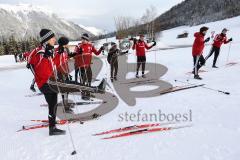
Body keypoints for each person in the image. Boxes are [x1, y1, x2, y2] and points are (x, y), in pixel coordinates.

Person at [28, 29, 66, 136]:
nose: (54, 39)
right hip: (45, 83)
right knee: (66, 87)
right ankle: (52, 127)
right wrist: (45, 56)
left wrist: (59, 53)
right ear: (47, 39)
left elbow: (54, 64)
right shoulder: (40, 52)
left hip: (50, 82)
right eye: (52, 38)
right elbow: (38, 68)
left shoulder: (49, 50)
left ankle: (52, 127)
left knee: (53, 105)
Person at [74, 33, 104, 100]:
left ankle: (88, 92)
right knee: (83, 80)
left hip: (88, 65)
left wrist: (101, 49)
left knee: (89, 79)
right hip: (81, 66)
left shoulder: (90, 46)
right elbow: (74, 56)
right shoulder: (78, 46)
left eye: (84, 39)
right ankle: (83, 94)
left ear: (87, 39)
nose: (83, 40)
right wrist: (79, 53)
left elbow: (97, 53)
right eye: (82, 39)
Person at [54, 36, 74, 113]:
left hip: (66, 71)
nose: (67, 45)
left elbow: (65, 59)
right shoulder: (57, 51)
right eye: (66, 44)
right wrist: (59, 53)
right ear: (63, 44)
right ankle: (65, 107)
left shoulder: (65, 50)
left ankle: (66, 103)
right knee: (64, 89)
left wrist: (72, 55)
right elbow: (55, 61)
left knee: (67, 89)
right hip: (60, 72)